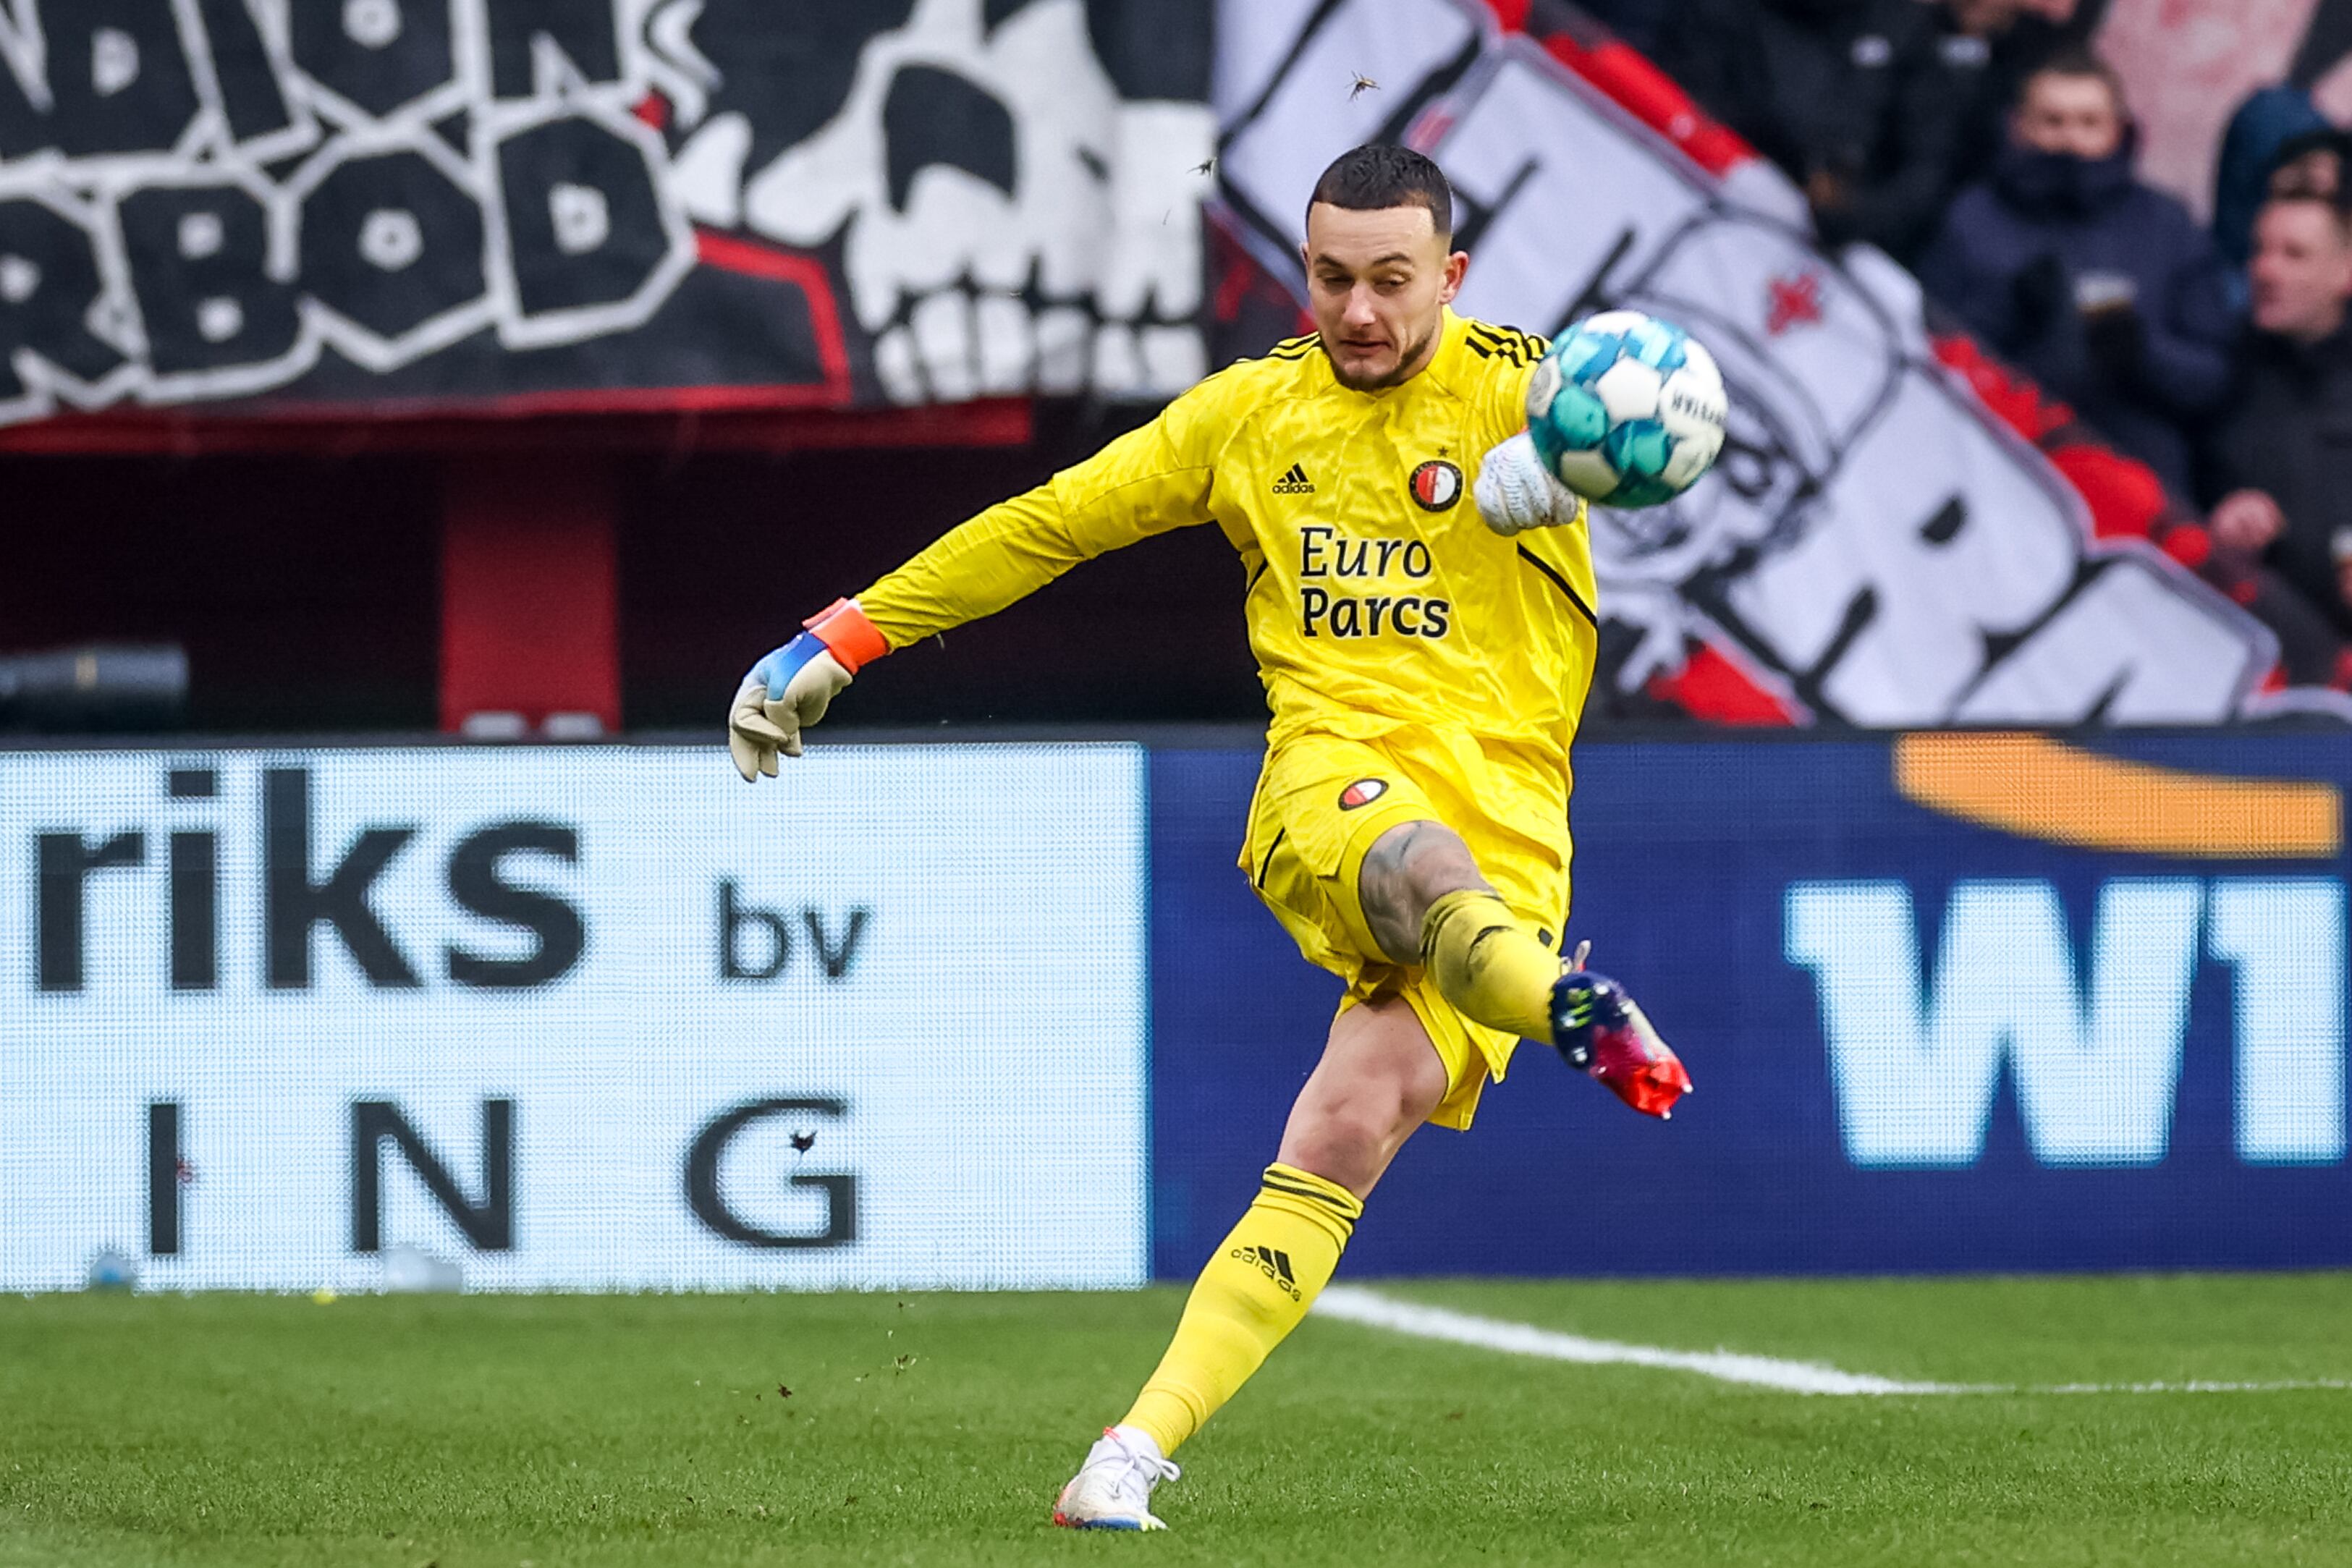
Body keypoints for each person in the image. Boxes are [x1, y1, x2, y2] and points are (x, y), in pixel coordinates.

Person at [725, 145, 1691, 1532]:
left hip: (1519, 817)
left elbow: (1656, 414)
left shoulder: (1527, 388)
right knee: (1424, 875)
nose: (1358, 312)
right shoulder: (1250, 414)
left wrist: (1564, 470)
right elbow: (1051, 525)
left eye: (1391, 282)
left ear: (1454, 279)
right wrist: (845, 638)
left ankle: (1125, 1455)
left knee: (1349, 1125)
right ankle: (1572, 1007)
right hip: (1334, 785)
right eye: (1332, 277)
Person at [1916, 49, 2235, 497]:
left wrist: (2141, 350)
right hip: (1995, 469)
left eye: (2089, 123)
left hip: (2128, 482)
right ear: (2019, 126)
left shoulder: (2166, 224)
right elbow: (1927, 354)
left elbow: (2216, 380)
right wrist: (2002, 318)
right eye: (2053, 121)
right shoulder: (1975, 218)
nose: (2070, 140)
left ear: (2119, 131)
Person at [1653, 0, 1966, 260]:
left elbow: (1925, 168)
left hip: (1799, 256)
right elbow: (1686, 81)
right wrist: (1791, 153)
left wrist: (1854, 213)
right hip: (1684, 187)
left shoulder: (1905, 31)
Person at [2204, 193, 2352, 638]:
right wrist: (2218, 530)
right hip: (2249, 648)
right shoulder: (2218, 373)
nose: (2265, 270)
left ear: (2346, 271)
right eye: (2259, 250)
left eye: (2295, 254)